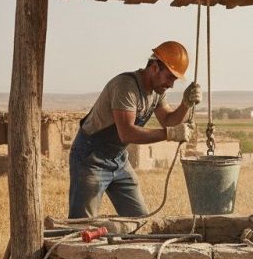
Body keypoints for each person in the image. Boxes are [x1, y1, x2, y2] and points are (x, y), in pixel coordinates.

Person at [68, 41, 202, 218]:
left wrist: (185, 104)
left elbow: (168, 120)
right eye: (169, 77)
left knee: (139, 221)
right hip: (91, 159)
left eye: (174, 80)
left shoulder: (157, 91)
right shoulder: (126, 87)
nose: (171, 84)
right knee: (81, 226)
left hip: (118, 158)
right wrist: (170, 134)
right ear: (154, 67)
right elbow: (127, 133)